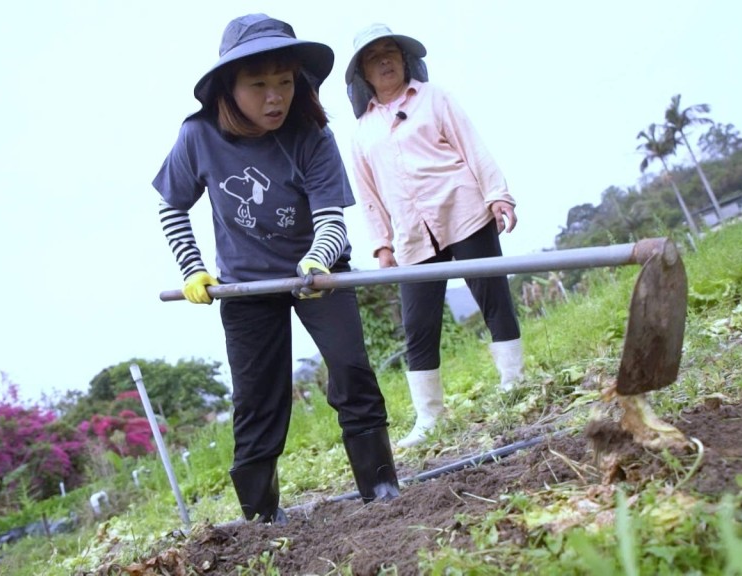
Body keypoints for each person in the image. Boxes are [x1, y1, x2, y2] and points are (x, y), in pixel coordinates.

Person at [150, 13, 400, 524]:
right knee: (257, 400)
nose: (274, 98)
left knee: (352, 371)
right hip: (245, 287)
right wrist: (193, 268)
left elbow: (331, 221)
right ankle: (262, 518)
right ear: (228, 86)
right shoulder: (198, 136)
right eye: (258, 85)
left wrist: (315, 260)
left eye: (284, 83)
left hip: (318, 271)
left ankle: (380, 489)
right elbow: (172, 206)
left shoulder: (312, 135)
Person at [346, 23, 526, 448]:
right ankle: (430, 417)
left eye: (391, 52)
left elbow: (471, 144)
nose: (386, 61)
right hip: (410, 235)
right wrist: (382, 244)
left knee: (492, 296)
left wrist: (498, 194)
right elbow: (369, 195)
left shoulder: (434, 97)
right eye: (375, 58)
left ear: (406, 60)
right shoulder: (362, 133)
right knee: (418, 324)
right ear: (364, 74)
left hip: (463, 209)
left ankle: (514, 384)